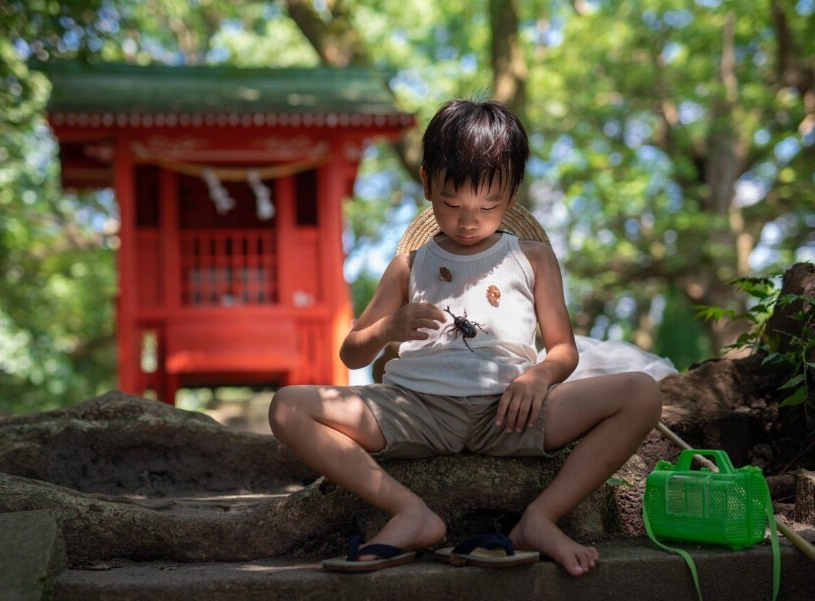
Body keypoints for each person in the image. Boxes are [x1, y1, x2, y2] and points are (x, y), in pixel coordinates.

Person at [268, 98, 663, 577]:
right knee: (288, 406)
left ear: (512, 194)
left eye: (488, 205)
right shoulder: (409, 264)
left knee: (641, 392)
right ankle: (409, 512)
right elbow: (351, 350)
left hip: (512, 412)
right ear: (426, 182)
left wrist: (538, 378)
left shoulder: (533, 258)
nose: (469, 220)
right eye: (452, 204)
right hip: (416, 408)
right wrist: (388, 329)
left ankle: (540, 518)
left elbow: (564, 350)